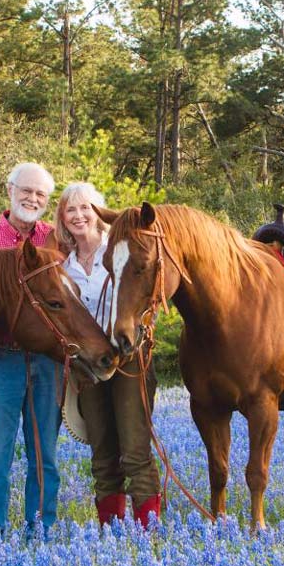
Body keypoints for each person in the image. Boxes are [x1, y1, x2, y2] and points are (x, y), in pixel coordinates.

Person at [56, 183, 162, 527]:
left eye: (85, 208)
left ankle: (148, 533)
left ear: (98, 212)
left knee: (135, 452)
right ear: (62, 218)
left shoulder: (119, 250)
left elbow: (146, 293)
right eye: (70, 210)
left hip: (128, 359)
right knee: (102, 454)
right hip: (88, 367)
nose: (78, 215)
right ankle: (111, 534)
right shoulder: (63, 266)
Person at [0, 162, 62, 534]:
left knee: (45, 457)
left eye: (40, 194)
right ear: (10, 190)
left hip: (45, 362)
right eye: (26, 190)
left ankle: (40, 531)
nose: (33, 198)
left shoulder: (55, 240)